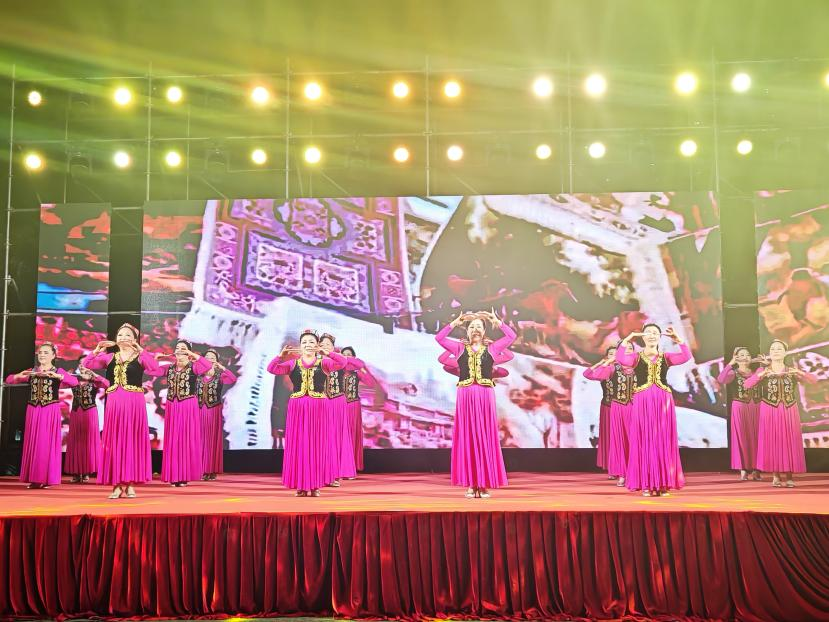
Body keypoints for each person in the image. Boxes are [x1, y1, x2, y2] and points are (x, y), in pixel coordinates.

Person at [435, 310, 516, 498]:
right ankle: (471, 484)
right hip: (466, 394)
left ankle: (484, 483)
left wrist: (497, 322)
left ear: (484, 331)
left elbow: (511, 337)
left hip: (485, 394)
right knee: (468, 437)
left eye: (479, 326)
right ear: (467, 331)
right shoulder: (459, 349)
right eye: (472, 327)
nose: (475, 329)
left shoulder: (493, 349)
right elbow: (439, 338)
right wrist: (455, 323)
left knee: (484, 436)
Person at [83, 323, 164, 499]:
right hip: (114, 402)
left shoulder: (140, 357)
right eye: (120, 335)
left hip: (134, 403)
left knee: (132, 441)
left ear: (135, 339)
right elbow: (86, 364)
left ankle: (131, 482)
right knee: (115, 441)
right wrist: (97, 349)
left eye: (128, 335)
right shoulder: (109, 357)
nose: (123, 338)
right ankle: (117, 484)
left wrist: (140, 350)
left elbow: (155, 368)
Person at [267, 329, 346, 496]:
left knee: (317, 446)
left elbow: (342, 363)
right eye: (304, 342)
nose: (308, 345)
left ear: (317, 345)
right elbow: (272, 369)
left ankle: (315, 485)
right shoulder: (292, 364)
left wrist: (327, 353)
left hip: (319, 407)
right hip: (298, 407)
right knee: (299, 446)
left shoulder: (324, 363)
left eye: (311, 342)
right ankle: (301, 486)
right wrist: (280, 356)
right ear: (300, 346)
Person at [615, 323, 691, 496]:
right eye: (648, 332)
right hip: (643, 400)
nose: (651, 335)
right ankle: (647, 483)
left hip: (663, 400)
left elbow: (685, 357)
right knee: (644, 440)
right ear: (642, 336)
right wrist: (627, 339)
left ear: (659, 336)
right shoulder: (635, 357)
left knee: (662, 440)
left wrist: (678, 340)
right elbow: (620, 359)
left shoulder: (666, 357)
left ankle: (663, 483)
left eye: (655, 332)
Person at [745, 340, 817, 488]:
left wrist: (799, 372)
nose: (776, 351)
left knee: (789, 441)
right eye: (773, 349)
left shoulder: (791, 370)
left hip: (789, 409)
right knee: (773, 441)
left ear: (785, 353)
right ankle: (776, 476)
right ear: (770, 353)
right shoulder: (763, 370)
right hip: (769, 409)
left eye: (779, 349)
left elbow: (813, 381)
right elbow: (747, 384)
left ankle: (789, 476)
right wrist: (762, 374)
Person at [5, 342, 78, 488]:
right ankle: (34, 478)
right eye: (40, 352)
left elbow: (74, 382)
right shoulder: (32, 371)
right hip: (33, 410)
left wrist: (58, 376)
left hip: (49, 410)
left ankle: (46, 478)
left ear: (53, 355)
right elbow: (9, 380)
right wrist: (19, 376)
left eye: (46, 352)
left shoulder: (58, 370)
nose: (42, 355)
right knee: (34, 443)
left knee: (45, 443)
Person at [157, 340, 212, 487]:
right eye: (178, 348)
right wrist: (155, 359)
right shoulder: (169, 367)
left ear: (189, 352)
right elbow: (151, 370)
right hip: (172, 406)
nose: (180, 350)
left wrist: (191, 354)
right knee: (173, 440)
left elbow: (208, 365)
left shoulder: (194, 367)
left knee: (185, 439)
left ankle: (184, 475)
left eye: (184, 348)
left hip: (187, 405)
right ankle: (173, 475)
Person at [584, 344, 635, 486]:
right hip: (611, 407)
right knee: (616, 440)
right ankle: (618, 470)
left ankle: (634, 471)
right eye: (625, 349)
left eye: (631, 349)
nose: (628, 352)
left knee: (633, 441)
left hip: (633, 407)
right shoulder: (611, 369)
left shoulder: (638, 366)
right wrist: (604, 362)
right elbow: (588, 374)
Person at [717, 346, 761, 481]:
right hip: (740, 407)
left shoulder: (757, 372)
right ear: (736, 358)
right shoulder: (733, 373)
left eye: (747, 354)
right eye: (741, 355)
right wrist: (730, 364)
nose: (745, 357)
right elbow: (721, 379)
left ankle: (757, 469)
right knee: (742, 438)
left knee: (757, 438)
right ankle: (743, 469)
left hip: (756, 407)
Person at [319, 333, 356, 485]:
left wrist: (331, 354)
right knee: (324, 437)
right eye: (322, 344)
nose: (325, 347)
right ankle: (324, 471)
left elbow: (356, 364)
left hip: (337, 401)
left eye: (328, 345)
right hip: (321, 402)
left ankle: (341, 470)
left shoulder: (339, 360)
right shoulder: (314, 361)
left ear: (333, 347)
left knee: (339, 436)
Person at [197, 349, 237, 480]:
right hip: (199, 410)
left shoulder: (220, 376)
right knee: (200, 440)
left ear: (217, 361)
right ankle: (201, 469)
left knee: (211, 441)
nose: (209, 359)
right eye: (207, 357)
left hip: (213, 410)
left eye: (212, 357)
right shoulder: (198, 375)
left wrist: (222, 368)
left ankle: (211, 469)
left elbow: (232, 379)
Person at [65, 364, 108, 483]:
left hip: (89, 413)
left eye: (85, 368)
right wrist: (66, 375)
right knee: (75, 441)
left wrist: (94, 375)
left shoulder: (95, 383)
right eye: (81, 368)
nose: (82, 369)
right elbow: (60, 382)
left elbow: (108, 385)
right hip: (76, 413)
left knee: (87, 441)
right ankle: (76, 472)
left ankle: (86, 472)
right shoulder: (73, 381)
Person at [340, 346, 376, 475]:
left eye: (349, 354)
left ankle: (351, 464)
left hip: (353, 406)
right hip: (338, 406)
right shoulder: (336, 370)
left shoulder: (357, 372)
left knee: (351, 434)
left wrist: (361, 368)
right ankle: (338, 464)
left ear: (354, 357)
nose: (346, 356)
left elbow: (371, 383)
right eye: (344, 354)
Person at [583, 347, 616, 478]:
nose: (614, 356)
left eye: (616, 354)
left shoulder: (627, 370)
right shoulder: (604, 371)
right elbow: (587, 374)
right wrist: (601, 363)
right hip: (608, 407)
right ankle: (612, 468)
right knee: (609, 439)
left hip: (625, 408)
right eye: (611, 354)